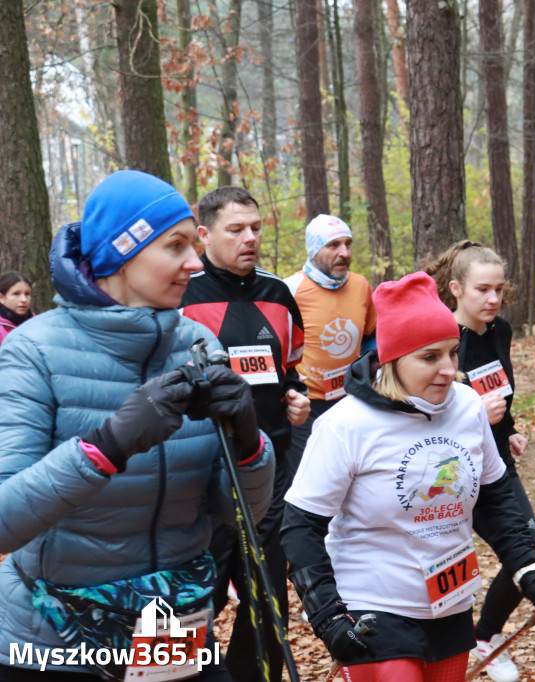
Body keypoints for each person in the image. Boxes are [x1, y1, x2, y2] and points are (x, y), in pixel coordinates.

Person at [0, 170, 274, 680]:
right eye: (176, 247)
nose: (194, 263)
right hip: (55, 638)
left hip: (175, 628)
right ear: (121, 253)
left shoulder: (199, 344)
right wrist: (104, 448)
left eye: (194, 245)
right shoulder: (32, 350)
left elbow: (242, 515)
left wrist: (247, 442)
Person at [281, 271, 535, 682]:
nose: (449, 369)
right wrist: (328, 618)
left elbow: (495, 498)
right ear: (392, 360)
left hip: (449, 607)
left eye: (453, 352)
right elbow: (300, 526)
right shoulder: (346, 424)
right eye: (429, 357)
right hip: (374, 610)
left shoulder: (468, 407)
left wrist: (529, 573)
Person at [181, 186, 310, 682]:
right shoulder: (182, 295)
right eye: (236, 230)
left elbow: (289, 370)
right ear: (205, 234)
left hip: (269, 467)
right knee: (192, 597)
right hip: (200, 474)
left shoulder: (278, 294)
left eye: (255, 228)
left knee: (266, 592)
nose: (250, 238)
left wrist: (296, 400)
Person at [424, 241, 533, 682]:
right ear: (455, 289)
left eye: (499, 290)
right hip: (446, 473)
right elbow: (426, 414)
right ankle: (425, 649)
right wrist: (477, 420)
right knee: (444, 563)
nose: (492, 299)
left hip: (496, 466)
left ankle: (485, 635)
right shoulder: (441, 341)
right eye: (482, 289)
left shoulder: (500, 330)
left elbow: (500, 396)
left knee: (525, 554)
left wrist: (510, 430)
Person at [284, 214, 376, 480]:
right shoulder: (290, 288)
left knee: (350, 478)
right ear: (314, 249)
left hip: (351, 400)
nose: (344, 252)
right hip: (306, 406)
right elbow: (274, 344)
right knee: (308, 481)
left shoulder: (361, 286)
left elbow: (371, 336)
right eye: (333, 245)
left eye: (348, 244)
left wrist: (372, 374)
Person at [0, 272, 33, 345]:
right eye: (16, 294)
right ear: (1, 298)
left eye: (27, 294)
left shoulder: (39, 323)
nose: (24, 299)